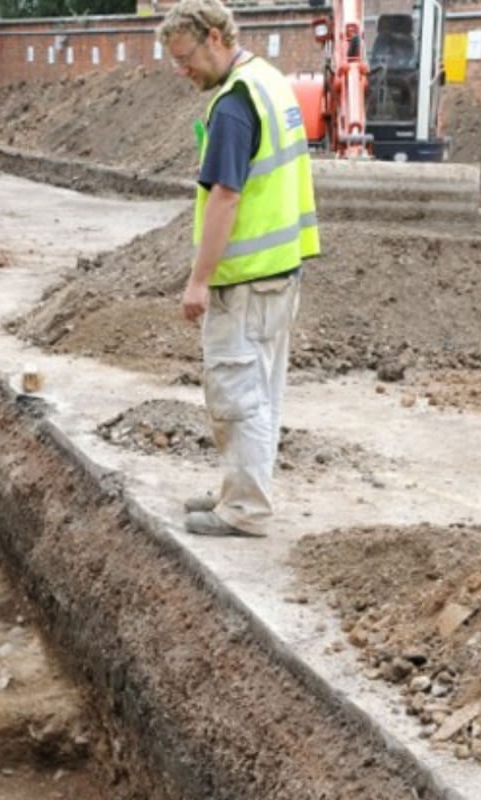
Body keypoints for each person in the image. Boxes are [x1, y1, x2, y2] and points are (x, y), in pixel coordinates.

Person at [158, 0, 320, 538]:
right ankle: (243, 490)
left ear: (214, 38)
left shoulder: (232, 105)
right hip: (280, 271)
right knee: (263, 393)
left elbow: (226, 197)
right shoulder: (269, 81)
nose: (182, 71)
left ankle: (244, 510)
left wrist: (199, 280)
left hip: (246, 278)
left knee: (236, 395)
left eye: (186, 58)